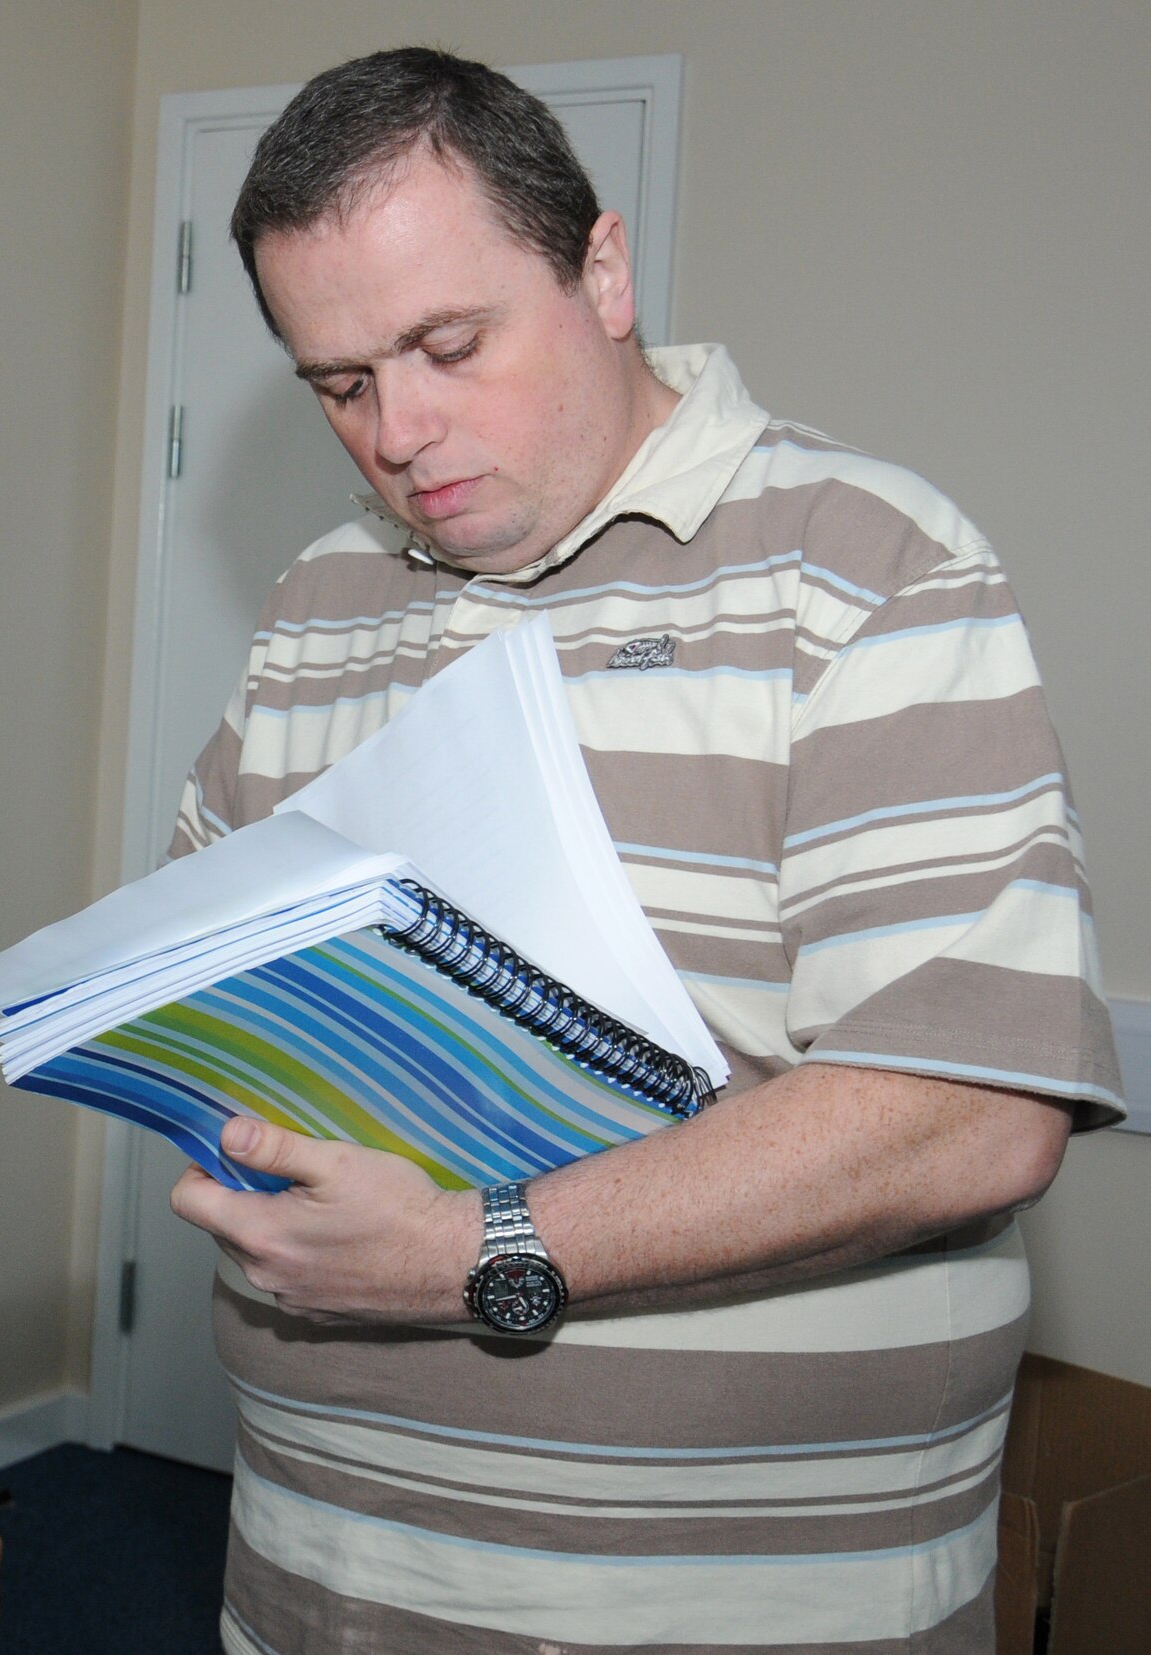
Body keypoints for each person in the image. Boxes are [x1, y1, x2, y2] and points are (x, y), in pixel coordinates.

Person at [165, 48, 1123, 1654]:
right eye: (339, 384)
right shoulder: (319, 602)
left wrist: (477, 1252)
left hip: (736, 1607)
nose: (397, 429)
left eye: (449, 344)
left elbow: (967, 1115)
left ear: (601, 270)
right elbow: (216, 981)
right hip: (316, 1573)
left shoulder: (865, 564)